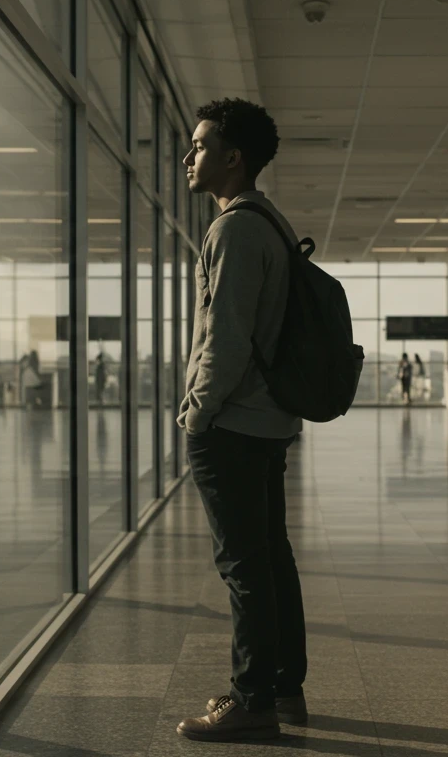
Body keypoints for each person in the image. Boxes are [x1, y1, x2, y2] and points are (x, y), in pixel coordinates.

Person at [175, 98, 304, 742]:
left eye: (199, 145)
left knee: (243, 567)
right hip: (270, 418)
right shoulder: (271, 222)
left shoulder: (232, 228)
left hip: (234, 421)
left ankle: (251, 699)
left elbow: (223, 339)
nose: (188, 156)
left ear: (234, 157)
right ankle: (284, 687)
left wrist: (196, 414)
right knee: (271, 557)